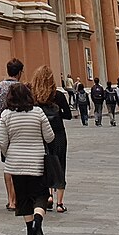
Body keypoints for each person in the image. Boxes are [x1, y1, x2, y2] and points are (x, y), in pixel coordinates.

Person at [0, 83, 55, 235]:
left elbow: (2, 142)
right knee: (40, 195)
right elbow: (49, 137)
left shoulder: (6, 115)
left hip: (15, 162)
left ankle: (30, 231)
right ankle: (38, 220)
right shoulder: (38, 112)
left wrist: (10, 153)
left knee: (22, 197)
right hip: (36, 161)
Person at [0, 58, 25, 211]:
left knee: (8, 165)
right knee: (19, 165)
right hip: (20, 130)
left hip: (2, 132)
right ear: (20, 72)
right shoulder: (22, 88)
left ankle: (10, 199)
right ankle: (17, 197)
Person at [31, 66, 70, 213]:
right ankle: (60, 203)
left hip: (41, 135)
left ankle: (48, 197)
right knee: (60, 165)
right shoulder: (58, 95)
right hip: (58, 134)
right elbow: (68, 115)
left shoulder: (33, 96)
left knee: (44, 165)